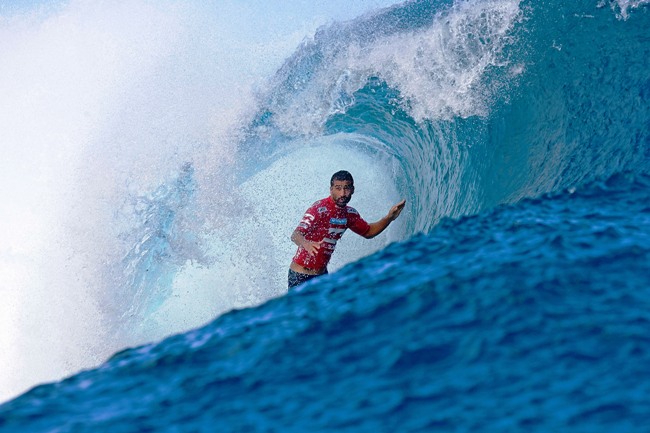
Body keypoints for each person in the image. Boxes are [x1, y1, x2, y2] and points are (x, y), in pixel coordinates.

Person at [288, 170, 406, 289]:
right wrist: (306, 243)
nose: (343, 193)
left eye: (346, 188)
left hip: (321, 276)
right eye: (338, 188)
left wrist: (389, 217)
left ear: (353, 190)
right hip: (300, 276)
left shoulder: (349, 214)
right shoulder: (319, 209)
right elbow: (295, 235)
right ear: (331, 189)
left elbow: (369, 232)